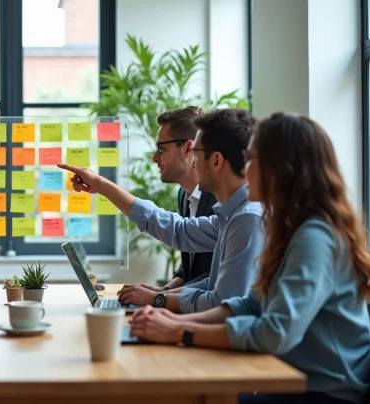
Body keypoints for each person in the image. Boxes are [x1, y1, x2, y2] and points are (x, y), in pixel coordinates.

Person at [129, 112, 370, 404]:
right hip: (292, 381)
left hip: (323, 394)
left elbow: (275, 332)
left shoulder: (315, 237)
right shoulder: (289, 226)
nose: (244, 170)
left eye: (252, 159)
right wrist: (170, 321)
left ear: (278, 169)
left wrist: (182, 330)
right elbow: (252, 303)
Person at [59, 108, 264, 313]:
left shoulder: (246, 218)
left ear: (216, 160)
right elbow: (182, 236)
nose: (194, 161)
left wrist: (159, 301)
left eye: (197, 154)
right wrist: (162, 295)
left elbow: (222, 305)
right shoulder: (230, 215)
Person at [145, 106, 216, 291]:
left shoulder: (221, 199)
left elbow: (214, 277)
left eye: (161, 149)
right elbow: (191, 266)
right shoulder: (184, 194)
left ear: (188, 149)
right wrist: (164, 291)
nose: (154, 158)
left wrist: (160, 299)